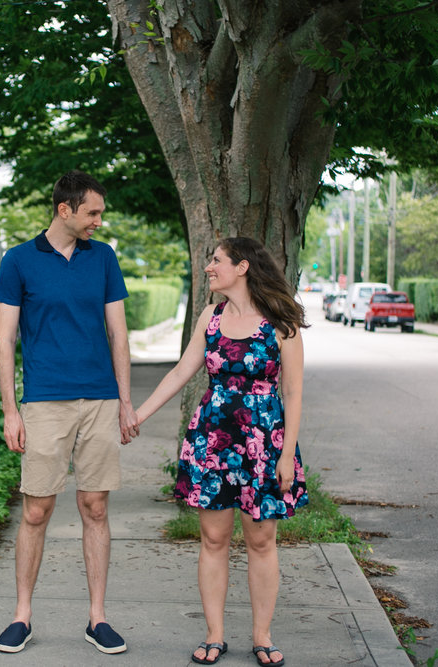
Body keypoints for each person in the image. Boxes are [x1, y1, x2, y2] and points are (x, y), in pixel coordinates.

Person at [134, 237, 308, 667]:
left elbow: (294, 391)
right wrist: (138, 415)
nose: (209, 267)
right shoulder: (210, 318)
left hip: (263, 443)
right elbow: (181, 371)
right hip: (213, 439)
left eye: (216, 261)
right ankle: (214, 635)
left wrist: (286, 456)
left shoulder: (281, 322)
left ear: (243, 267)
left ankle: (262, 637)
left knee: (261, 539)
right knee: (213, 538)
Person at [0, 170, 139, 655]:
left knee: (95, 507)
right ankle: (21, 616)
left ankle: (97, 618)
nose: (99, 220)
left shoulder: (104, 259)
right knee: (37, 508)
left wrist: (125, 400)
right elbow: (5, 341)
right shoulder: (18, 261)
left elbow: (119, 334)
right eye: (93, 212)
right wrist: (11, 410)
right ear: (65, 210)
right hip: (45, 401)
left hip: (98, 399)